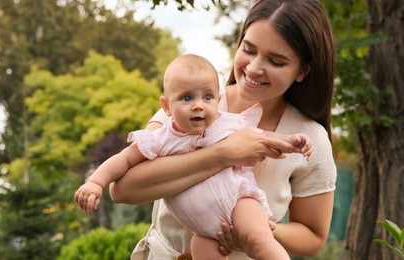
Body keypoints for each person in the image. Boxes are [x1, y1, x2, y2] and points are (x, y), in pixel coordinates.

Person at [109, 0, 337, 259]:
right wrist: (223, 154)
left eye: (275, 61)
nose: (253, 68)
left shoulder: (307, 138)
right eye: (248, 50)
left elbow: (313, 236)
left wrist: (257, 230)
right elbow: (123, 189)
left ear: (302, 71)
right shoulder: (190, 106)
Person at [75, 54, 312, 259]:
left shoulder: (227, 125)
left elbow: (263, 138)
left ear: (218, 101)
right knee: (202, 251)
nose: (199, 105)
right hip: (202, 232)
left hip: (240, 202)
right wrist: (96, 182)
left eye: (207, 97)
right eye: (187, 98)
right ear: (166, 106)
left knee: (259, 238)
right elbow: (124, 159)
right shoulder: (161, 137)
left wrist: (290, 142)